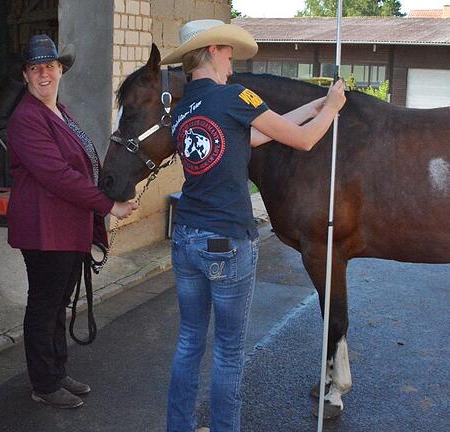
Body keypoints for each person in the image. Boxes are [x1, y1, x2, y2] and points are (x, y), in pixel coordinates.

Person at [159, 19, 347, 432]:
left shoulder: (184, 109)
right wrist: (331, 107)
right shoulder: (236, 95)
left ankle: (180, 427)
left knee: (190, 340)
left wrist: (311, 107)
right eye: (228, 52)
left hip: (186, 238)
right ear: (212, 52)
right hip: (226, 241)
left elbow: (253, 136)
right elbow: (304, 141)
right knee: (228, 350)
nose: (232, 61)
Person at [6, 34, 137, 409]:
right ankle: (44, 383)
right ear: (27, 76)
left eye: (50, 66)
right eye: (35, 68)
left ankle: (56, 372)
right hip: (45, 229)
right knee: (45, 305)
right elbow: (58, 175)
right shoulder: (27, 118)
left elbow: (83, 164)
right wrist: (107, 206)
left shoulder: (59, 111)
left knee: (58, 304)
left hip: (66, 227)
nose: (43, 73)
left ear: (61, 69)